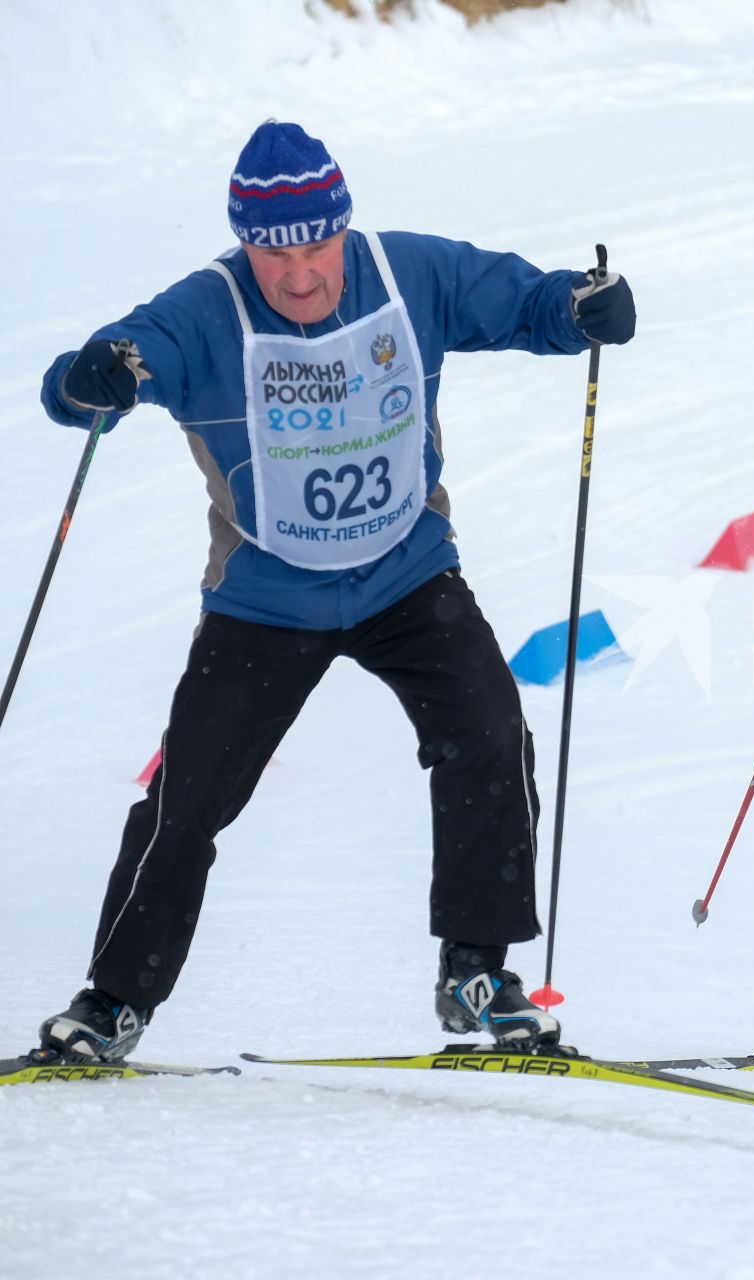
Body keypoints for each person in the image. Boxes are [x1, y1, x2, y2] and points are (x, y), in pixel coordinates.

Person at [29, 121, 636, 1063]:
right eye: (275, 252)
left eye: (316, 244)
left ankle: (476, 970)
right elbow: (92, 380)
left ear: (343, 228)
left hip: (406, 570)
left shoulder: (409, 275)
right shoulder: (205, 312)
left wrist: (582, 307)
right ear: (245, 244)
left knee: (488, 733)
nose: (300, 273)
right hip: (266, 599)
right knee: (186, 799)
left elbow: (522, 303)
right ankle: (112, 1002)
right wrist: (88, 381)